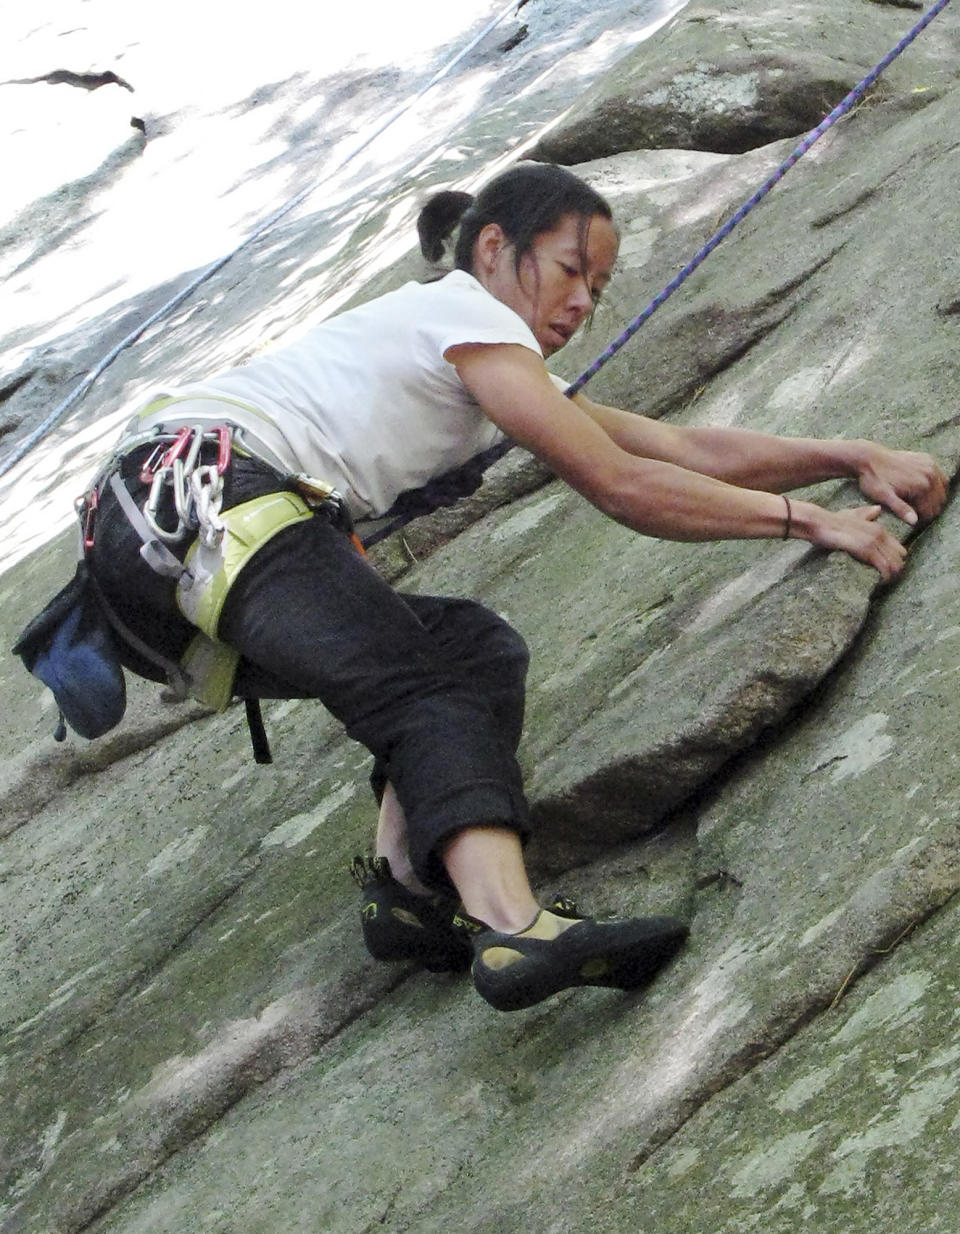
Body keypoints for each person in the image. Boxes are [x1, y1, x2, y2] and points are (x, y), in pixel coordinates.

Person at [86, 162, 947, 1013]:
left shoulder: (476, 358)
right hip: (211, 498)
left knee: (471, 649)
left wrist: (850, 457)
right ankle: (515, 927)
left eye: (598, 289)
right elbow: (622, 485)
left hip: (156, 568)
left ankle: (408, 892)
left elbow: (675, 450)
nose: (581, 303)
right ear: (493, 247)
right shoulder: (462, 313)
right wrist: (810, 520)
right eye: (572, 270)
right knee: (427, 692)